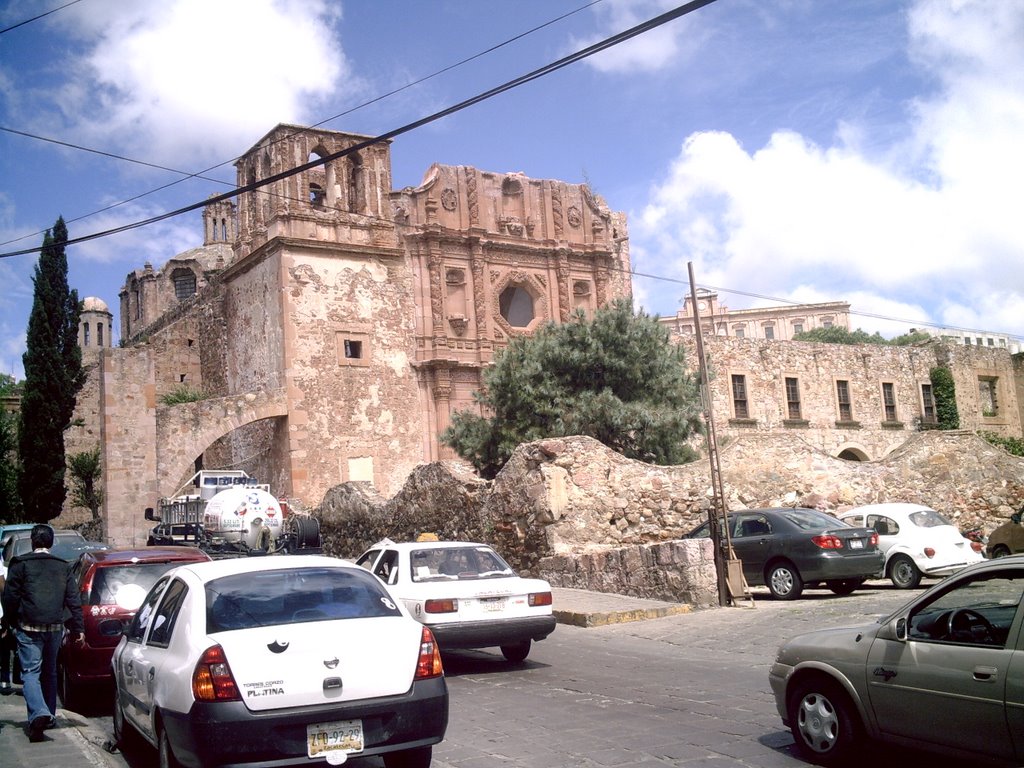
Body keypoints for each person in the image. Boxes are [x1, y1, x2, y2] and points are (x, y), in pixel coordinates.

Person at [1, 524, 84, 743]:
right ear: (51, 542)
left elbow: (10, 597)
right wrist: (78, 628)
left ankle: (38, 714)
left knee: (30, 672)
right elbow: (73, 600)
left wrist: (7, 622)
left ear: (32, 542)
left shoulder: (20, 564)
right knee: (50, 672)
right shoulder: (62, 566)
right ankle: (49, 716)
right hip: (55, 628)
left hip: (28, 627)